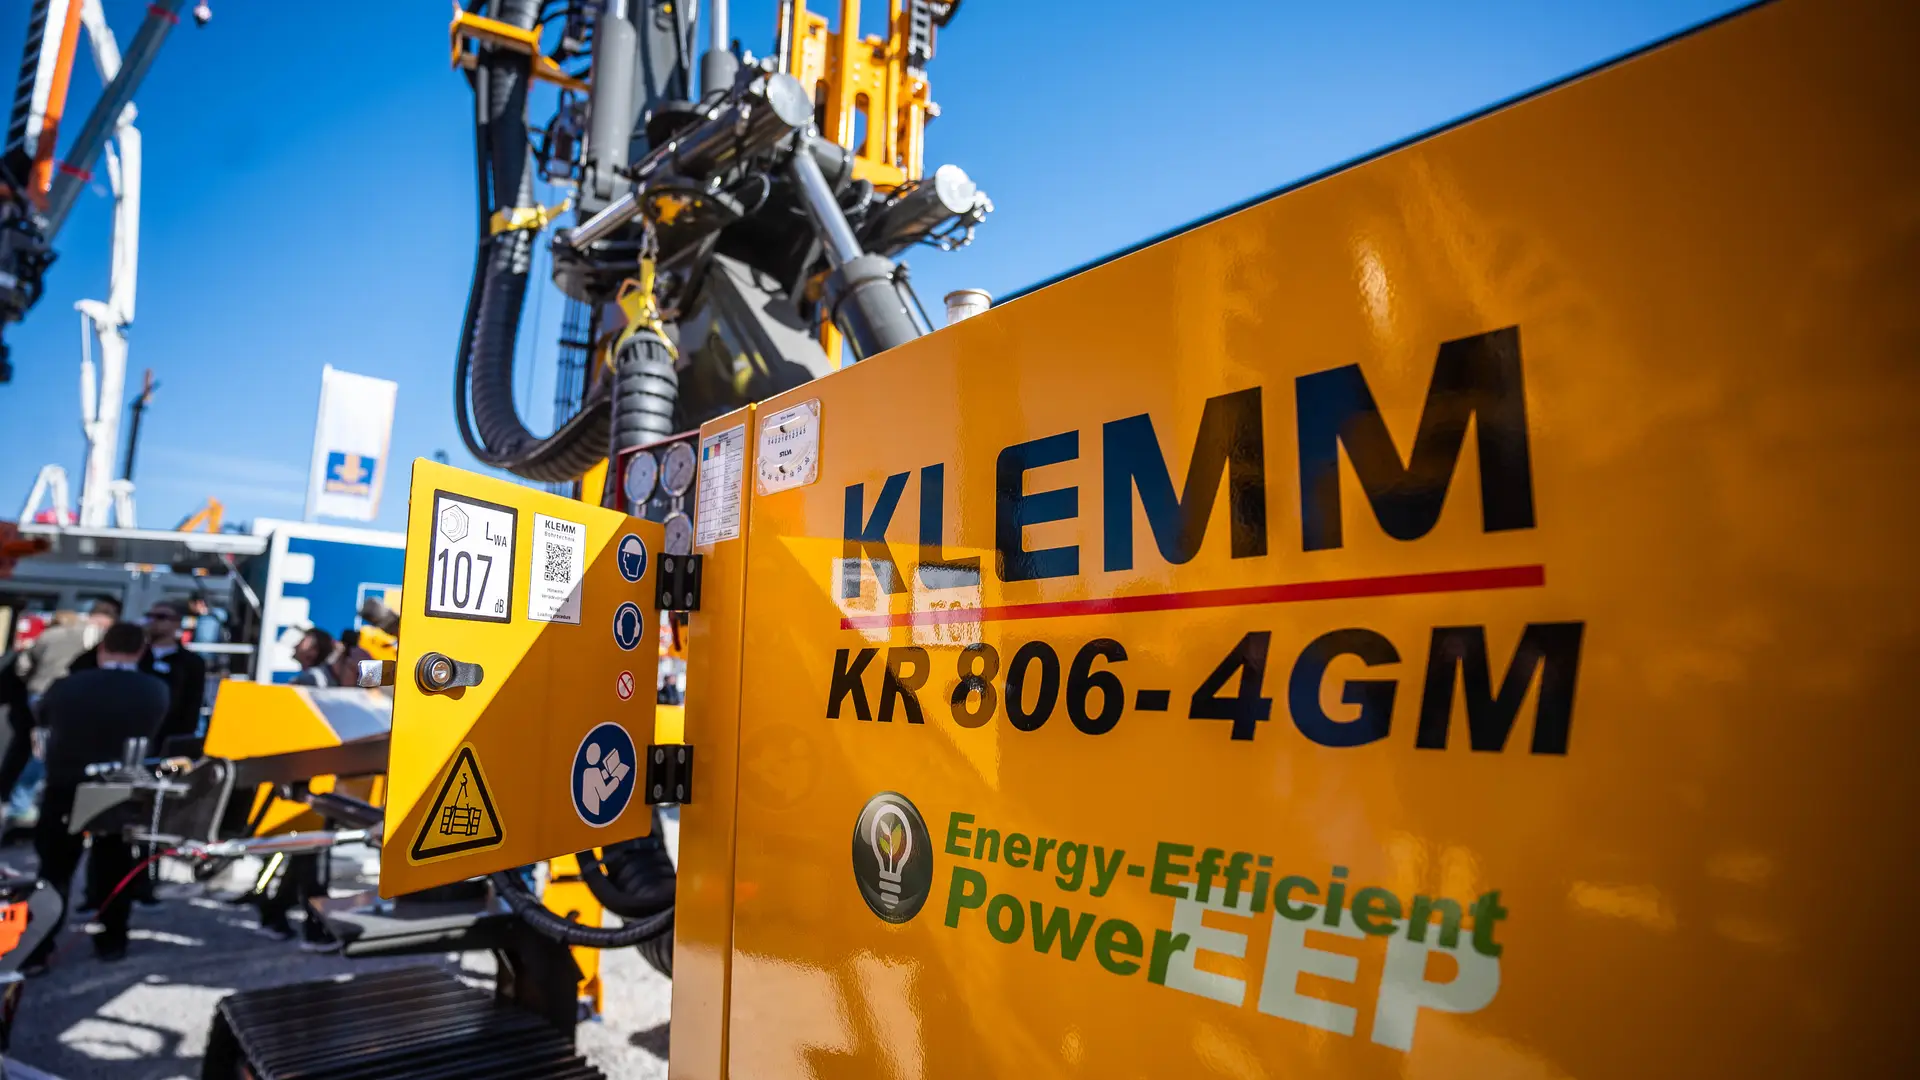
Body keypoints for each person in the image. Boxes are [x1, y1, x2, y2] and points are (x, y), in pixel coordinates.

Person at [23, 621, 168, 968]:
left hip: (66, 783)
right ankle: (112, 939)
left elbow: (43, 715)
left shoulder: (68, 685)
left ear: (102, 648)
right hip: (120, 785)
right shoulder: (155, 689)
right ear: (140, 651)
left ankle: (39, 947)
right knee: (115, 864)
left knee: (54, 870)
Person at [1, 600, 119, 828]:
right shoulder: (97, 638)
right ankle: (23, 804)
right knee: (48, 749)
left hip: (38, 693)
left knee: (40, 745)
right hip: (66, 697)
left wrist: (34, 684)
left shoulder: (51, 634)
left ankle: (23, 802)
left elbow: (22, 665)